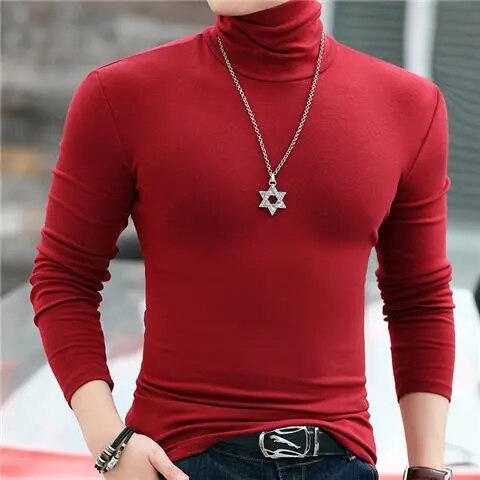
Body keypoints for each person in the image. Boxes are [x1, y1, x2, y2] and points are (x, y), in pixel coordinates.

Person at [29, 0, 456, 479]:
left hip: (341, 461)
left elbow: (419, 299)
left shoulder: (408, 106)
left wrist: (427, 470)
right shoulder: (125, 94)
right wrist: (110, 445)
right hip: (177, 462)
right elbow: (64, 278)